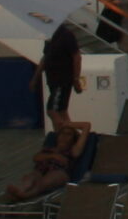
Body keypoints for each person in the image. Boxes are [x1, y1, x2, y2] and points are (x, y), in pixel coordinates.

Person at [32, 22, 90, 154]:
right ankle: (75, 139)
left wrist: (76, 79)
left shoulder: (66, 35)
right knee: (62, 112)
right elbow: (45, 58)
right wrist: (36, 77)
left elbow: (77, 57)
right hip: (52, 80)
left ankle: (66, 139)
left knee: (52, 111)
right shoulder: (49, 36)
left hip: (62, 80)